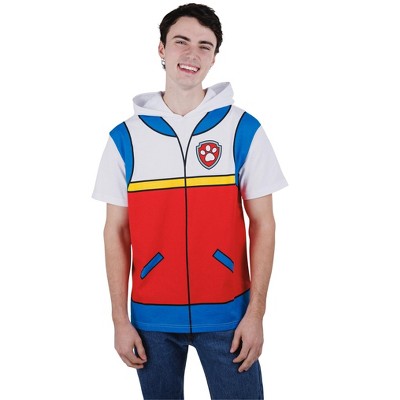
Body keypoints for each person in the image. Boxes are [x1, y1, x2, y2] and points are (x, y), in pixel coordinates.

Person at [93, 3, 287, 399]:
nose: (192, 54)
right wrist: (119, 320)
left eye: (204, 45)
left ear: (214, 58)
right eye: (181, 42)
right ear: (161, 49)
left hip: (229, 315)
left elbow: (264, 224)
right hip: (151, 320)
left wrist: (256, 314)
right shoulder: (124, 139)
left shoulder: (242, 129)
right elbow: (116, 232)